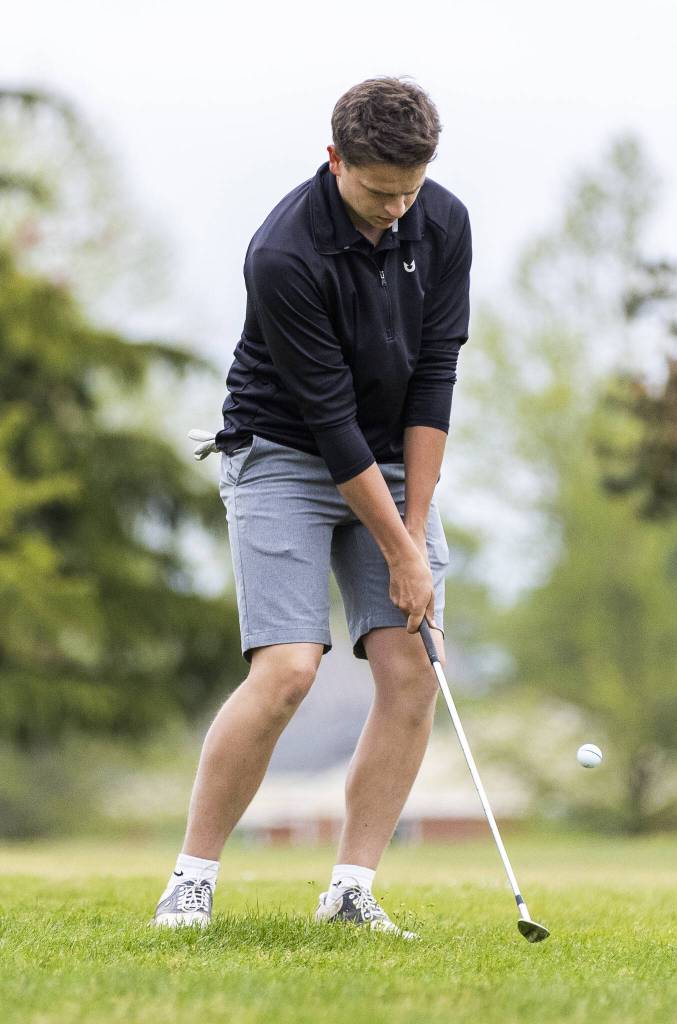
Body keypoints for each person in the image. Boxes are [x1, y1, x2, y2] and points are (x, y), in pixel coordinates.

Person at [149, 76, 472, 938]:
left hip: (394, 459)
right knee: (288, 669)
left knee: (413, 669)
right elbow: (329, 425)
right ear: (335, 161)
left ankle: (351, 890)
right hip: (284, 453)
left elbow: (435, 375)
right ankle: (191, 878)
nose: (397, 209)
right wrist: (405, 555)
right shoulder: (284, 252)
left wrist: (415, 523)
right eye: (378, 191)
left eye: (411, 189)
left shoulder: (441, 221)